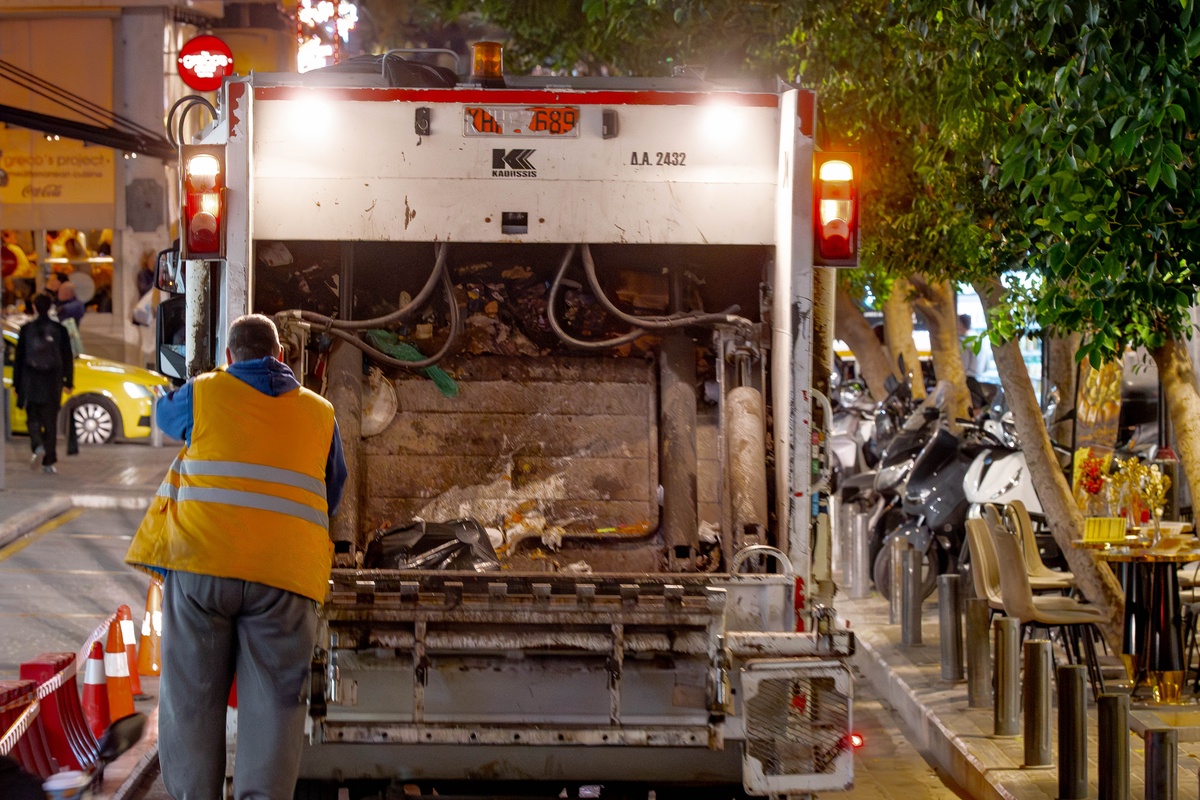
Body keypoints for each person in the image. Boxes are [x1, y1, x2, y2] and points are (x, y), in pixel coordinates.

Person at [124, 313, 347, 800]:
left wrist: (171, 392)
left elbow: (163, 418)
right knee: (276, 705)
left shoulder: (205, 392)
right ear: (281, 356)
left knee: (191, 697)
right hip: (284, 576)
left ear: (228, 357)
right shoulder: (321, 412)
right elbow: (331, 491)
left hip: (202, 565)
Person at [14, 293, 74, 474]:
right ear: (50, 307)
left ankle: (37, 445)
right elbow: (67, 357)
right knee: (50, 421)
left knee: (32, 417)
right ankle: (49, 461)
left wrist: (17, 385)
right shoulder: (60, 330)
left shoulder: (26, 330)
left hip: (31, 379)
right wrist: (68, 381)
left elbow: (19, 359)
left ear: (34, 307)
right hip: (52, 380)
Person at [958, 313, 978, 379]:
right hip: (966, 374)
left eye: (959, 324)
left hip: (968, 375)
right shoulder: (959, 340)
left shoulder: (970, 341)